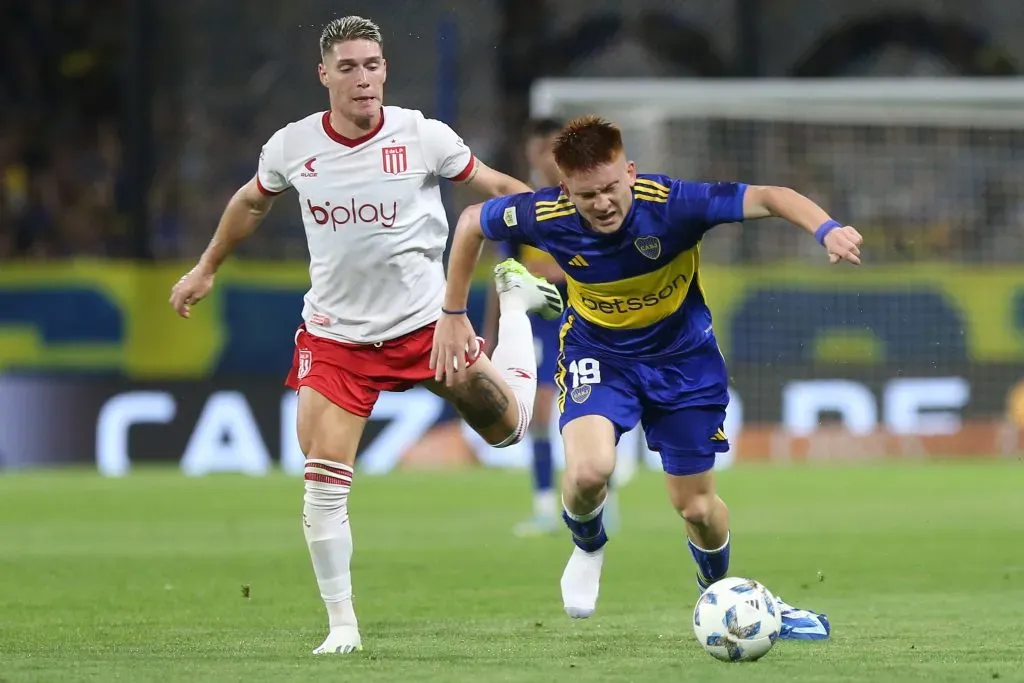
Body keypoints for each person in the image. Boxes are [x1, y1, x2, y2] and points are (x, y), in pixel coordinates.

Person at [169, 16, 563, 656]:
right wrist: (206, 266)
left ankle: (513, 306)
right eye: (348, 67)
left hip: (428, 328)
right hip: (336, 340)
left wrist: (560, 225)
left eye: (372, 65)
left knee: (510, 429)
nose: (363, 79)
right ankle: (342, 627)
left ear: (385, 70)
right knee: (323, 482)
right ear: (323, 74)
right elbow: (250, 202)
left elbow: (494, 186)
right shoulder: (293, 147)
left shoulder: (422, 135)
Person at [435, 115, 860, 639]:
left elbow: (771, 195)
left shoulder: (675, 205)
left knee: (698, 509)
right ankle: (588, 546)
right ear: (565, 190)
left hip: (684, 361)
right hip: (599, 355)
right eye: (587, 194)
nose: (604, 203)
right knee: (590, 472)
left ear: (630, 172)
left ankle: (725, 597)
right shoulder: (545, 214)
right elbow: (474, 220)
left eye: (612, 187)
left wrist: (827, 229)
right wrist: (453, 314)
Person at [482, 117, 624, 537]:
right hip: (540, 320)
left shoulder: (589, 199)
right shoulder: (524, 206)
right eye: (537, 149)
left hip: (586, 317)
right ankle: (545, 504)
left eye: (550, 149)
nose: (543, 158)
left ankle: (606, 498)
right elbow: (504, 270)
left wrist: (559, 270)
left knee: (595, 410)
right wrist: (491, 329)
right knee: (541, 411)